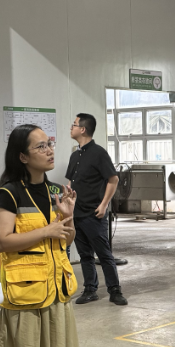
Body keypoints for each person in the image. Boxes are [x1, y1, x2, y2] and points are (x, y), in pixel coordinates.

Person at [0, 124, 82, 347]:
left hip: (55, 287)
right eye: (40, 146)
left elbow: (65, 239)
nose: (49, 150)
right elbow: (2, 240)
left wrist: (68, 218)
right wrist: (47, 230)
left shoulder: (58, 191)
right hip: (23, 290)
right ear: (22, 156)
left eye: (49, 143)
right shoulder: (9, 193)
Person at [65, 113, 127, 306]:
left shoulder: (99, 153)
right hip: (77, 213)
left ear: (83, 129)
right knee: (85, 255)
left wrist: (104, 204)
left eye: (74, 124)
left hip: (94, 213)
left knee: (104, 254)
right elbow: (71, 182)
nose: (71, 127)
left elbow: (113, 179)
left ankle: (115, 290)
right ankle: (90, 289)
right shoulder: (75, 155)